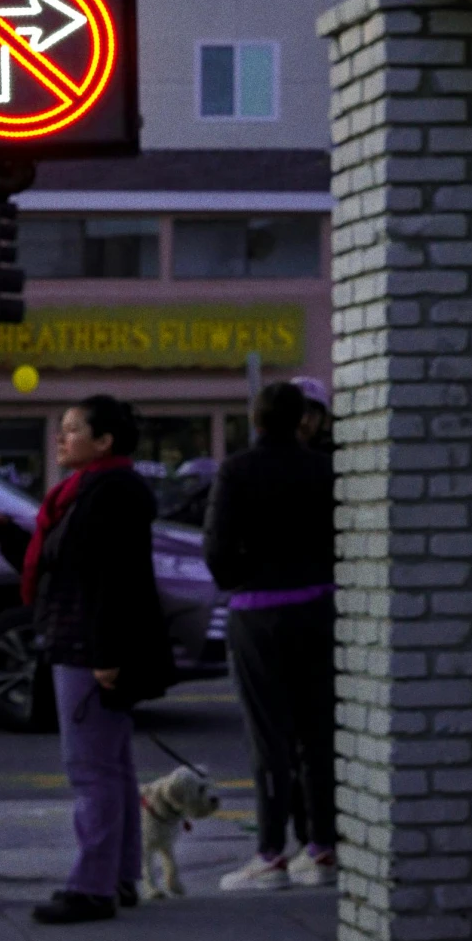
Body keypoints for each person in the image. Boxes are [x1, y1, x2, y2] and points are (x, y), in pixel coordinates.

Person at [0, 396, 173, 924]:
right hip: (80, 640)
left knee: (92, 772)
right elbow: (61, 565)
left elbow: (114, 578)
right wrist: (9, 538)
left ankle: (92, 888)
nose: (61, 438)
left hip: (89, 646)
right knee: (111, 769)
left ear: (104, 440)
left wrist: (109, 654)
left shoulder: (109, 494)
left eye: (72, 430)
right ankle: (118, 877)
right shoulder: (84, 491)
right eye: (61, 430)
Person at [204, 379, 337, 890]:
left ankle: (269, 853)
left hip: (259, 611)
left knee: (268, 739)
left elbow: (217, 549)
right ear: (303, 419)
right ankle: (321, 846)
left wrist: (242, 578)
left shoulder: (237, 470)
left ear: (256, 420)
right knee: (316, 734)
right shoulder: (323, 469)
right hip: (318, 607)